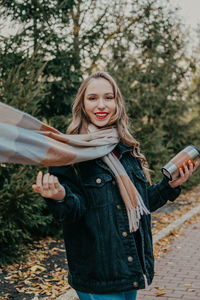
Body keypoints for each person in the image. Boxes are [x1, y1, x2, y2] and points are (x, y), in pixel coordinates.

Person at [32, 71, 198, 300]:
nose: (101, 105)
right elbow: (72, 213)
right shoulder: (68, 152)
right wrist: (60, 196)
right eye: (93, 98)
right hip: (97, 276)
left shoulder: (125, 149)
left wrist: (169, 186)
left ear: (117, 102)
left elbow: (140, 204)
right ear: (82, 104)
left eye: (108, 97)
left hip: (129, 269)